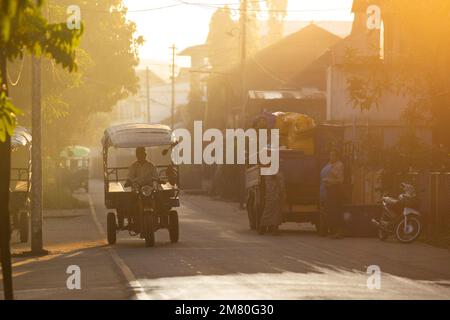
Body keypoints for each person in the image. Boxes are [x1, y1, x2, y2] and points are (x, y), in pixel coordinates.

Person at [320, 149, 345, 239]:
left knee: (335, 211)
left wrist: (329, 181)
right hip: (329, 191)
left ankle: (338, 232)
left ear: (337, 156)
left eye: (333, 155)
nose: (331, 157)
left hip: (335, 191)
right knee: (330, 211)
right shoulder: (331, 164)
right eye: (330, 155)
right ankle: (333, 231)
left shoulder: (339, 165)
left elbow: (340, 180)